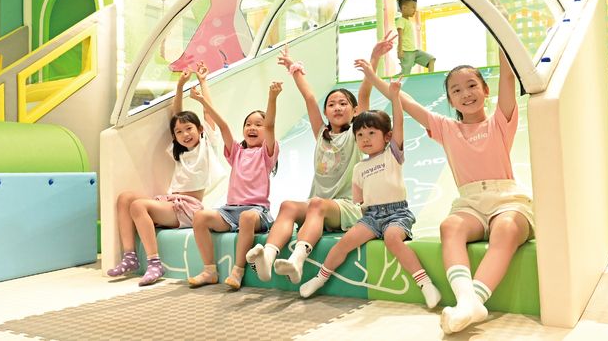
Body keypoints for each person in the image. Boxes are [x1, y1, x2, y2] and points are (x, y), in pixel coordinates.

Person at [367, 50, 532, 333]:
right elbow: (406, 102)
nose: (465, 93)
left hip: (506, 199)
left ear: (485, 90)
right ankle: (468, 302)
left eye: (472, 85)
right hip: (470, 203)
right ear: (450, 100)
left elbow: (507, 77)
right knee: (450, 226)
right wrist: (373, 76)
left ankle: (471, 303)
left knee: (506, 228)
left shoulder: (499, 121)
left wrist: (502, 38)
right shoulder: (446, 128)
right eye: (456, 90)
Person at [246, 34, 396, 284]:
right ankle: (268, 257)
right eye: (332, 104)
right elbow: (309, 97)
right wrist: (293, 68)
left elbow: (364, 93)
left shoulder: (356, 134)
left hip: (347, 208)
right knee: (288, 206)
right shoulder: (321, 134)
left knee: (316, 204)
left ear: (355, 111)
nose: (337, 107)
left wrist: (374, 58)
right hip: (320, 208)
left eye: (343, 103)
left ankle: (297, 260)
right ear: (325, 112)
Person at [298, 68, 441, 309]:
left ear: (387, 136)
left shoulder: (393, 154)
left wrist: (395, 98)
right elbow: (358, 201)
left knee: (392, 238)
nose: (365, 138)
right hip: (371, 216)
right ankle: (320, 278)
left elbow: (399, 122)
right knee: (343, 243)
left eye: (372, 133)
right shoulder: (359, 168)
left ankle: (425, 283)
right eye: (360, 134)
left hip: (396, 213)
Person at [107, 63, 225, 286]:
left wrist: (203, 82)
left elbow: (208, 113)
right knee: (125, 198)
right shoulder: (179, 153)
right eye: (179, 132)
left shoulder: (207, 146)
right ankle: (129, 256)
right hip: (172, 203)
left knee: (138, 206)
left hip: (189, 210)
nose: (184, 134)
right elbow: (176, 114)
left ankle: (154, 263)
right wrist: (179, 86)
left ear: (200, 130)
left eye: (189, 129)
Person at [187, 82, 281, 289]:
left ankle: (237, 271)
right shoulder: (236, 152)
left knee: (247, 217)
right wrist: (202, 100)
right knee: (200, 217)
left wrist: (272, 97)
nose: (252, 127)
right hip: (230, 211)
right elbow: (223, 126)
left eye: (258, 124)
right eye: (248, 124)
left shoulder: (266, 154)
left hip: (257, 212)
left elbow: (271, 125)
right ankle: (209, 270)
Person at [395, 0, 435, 74]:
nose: (415, 10)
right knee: (405, 74)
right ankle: (392, 80)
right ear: (404, 8)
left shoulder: (408, 21)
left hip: (414, 51)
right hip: (406, 52)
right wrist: (400, 51)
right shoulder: (400, 20)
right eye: (413, 7)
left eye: (415, 8)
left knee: (431, 59)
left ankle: (431, 77)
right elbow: (400, 36)